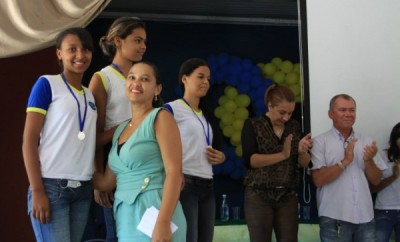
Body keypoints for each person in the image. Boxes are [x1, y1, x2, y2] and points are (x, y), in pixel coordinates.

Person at [93, 61, 186, 241]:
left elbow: (174, 173)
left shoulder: (161, 117)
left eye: (144, 79)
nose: (136, 83)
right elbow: (106, 183)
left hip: (156, 210)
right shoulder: (120, 130)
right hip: (125, 216)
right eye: (132, 77)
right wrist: (71, 170)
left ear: (157, 89)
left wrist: (163, 222)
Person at [22, 27, 97, 242]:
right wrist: (37, 190)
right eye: (72, 49)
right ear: (59, 54)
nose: (80, 55)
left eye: (86, 49)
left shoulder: (90, 95)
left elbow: (88, 139)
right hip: (52, 186)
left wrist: (129, 126)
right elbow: (29, 140)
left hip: (83, 188)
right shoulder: (46, 84)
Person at [88, 17, 146, 242]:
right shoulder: (102, 78)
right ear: (118, 40)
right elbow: (95, 137)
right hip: (117, 172)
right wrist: (99, 179)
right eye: (137, 40)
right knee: (119, 236)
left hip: (145, 170)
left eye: (145, 42)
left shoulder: (145, 78)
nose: (143, 46)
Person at [164, 58, 225, 242]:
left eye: (208, 78)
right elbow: (161, 146)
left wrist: (220, 156)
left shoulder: (206, 114)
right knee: (188, 238)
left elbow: (211, 147)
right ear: (185, 79)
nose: (206, 82)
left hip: (208, 184)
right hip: (185, 184)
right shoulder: (171, 109)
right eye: (200, 76)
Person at [241, 84, 312, 242]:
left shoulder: (294, 126)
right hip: (258, 195)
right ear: (270, 105)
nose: (286, 117)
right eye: (282, 112)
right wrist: (283, 154)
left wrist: (302, 152)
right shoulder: (253, 124)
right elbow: (251, 160)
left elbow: (306, 164)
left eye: (290, 113)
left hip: (287, 195)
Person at [310, 94, 386, 242]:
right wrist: (345, 161)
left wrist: (369, 160)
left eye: (352, 110)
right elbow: (318, 180)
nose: (348, 114)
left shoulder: (367, 141)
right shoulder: (320, 142)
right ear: (330, 114)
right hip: (334, 217)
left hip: (365, 217)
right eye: (342, 110)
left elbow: (376, 180)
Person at [371, 122, 400, 242]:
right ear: (395, 139)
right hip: (384, 210)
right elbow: (373, 188)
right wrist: (393, 176)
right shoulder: (382, 156)